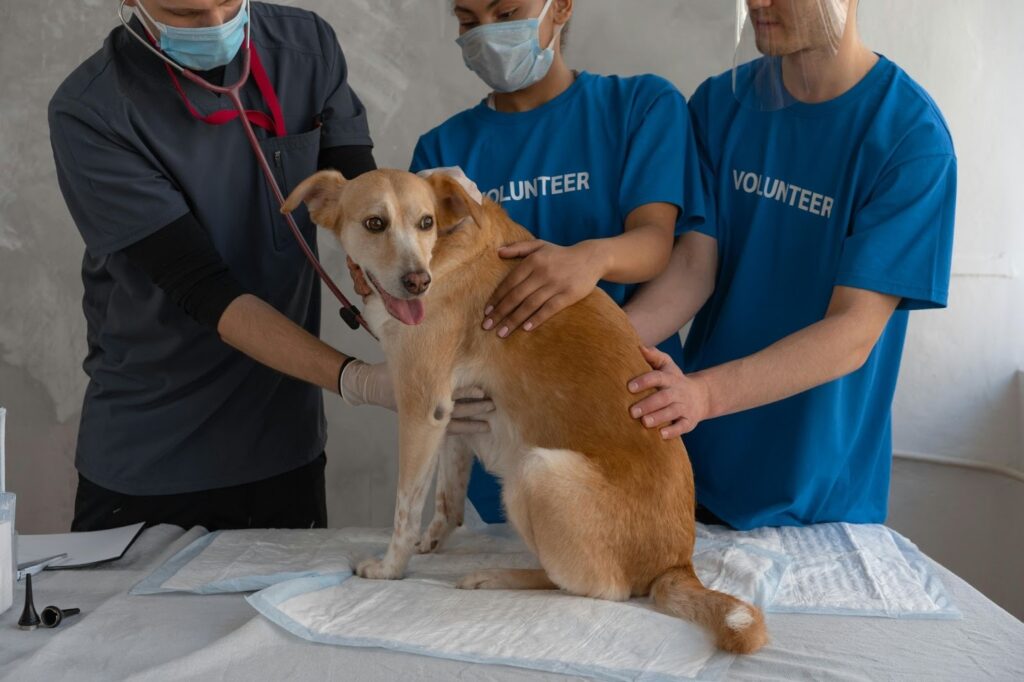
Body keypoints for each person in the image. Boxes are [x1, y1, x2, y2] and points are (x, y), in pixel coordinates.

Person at [49, 0, 489, 532]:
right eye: (185, 14)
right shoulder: (92, 109)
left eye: (227, 4)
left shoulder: (305, 49)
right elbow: (202, 286)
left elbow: (359, 198)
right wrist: (359, 381)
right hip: (154, 451)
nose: (215, 25)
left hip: (283, 444)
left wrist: (412, 229)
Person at [623, 0, 957, 529]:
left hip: (819, 501)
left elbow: (852, 331)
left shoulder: (910, 138)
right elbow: (691, 271)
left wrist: (705, 393)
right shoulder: (720, 103)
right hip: (697, 471)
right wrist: (583, 350)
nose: (756, 3)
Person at [400, 0, 706, 522]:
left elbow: (657, 244)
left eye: (506, 12)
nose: (486, 34)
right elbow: (427, 297)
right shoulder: (441, 153)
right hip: (501, 442)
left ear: (560, 7)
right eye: (469, 22)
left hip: (620, 415)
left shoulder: (639, 106)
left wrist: (593, 258)